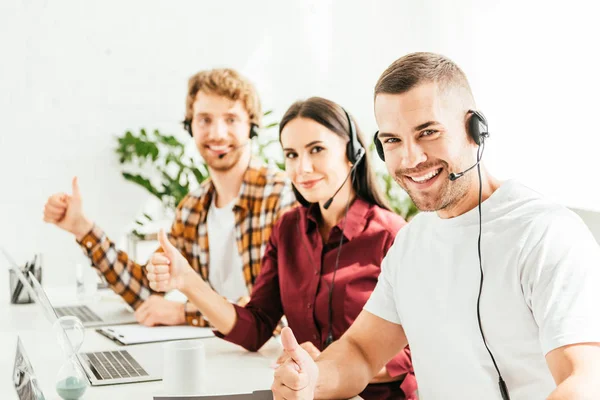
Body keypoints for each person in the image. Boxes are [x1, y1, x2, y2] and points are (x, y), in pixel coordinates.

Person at [271, 52, 600, 400]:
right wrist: (312, 379)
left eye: (428, 132)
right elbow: (362, 351)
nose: (411, 159)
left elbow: (585, 380)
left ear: (474, 129)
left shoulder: (547, 233)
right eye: (393, 141)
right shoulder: (411, 241)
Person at [147, 97, 417, 399]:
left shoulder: (391, 235)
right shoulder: (288, 229)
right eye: (291, 154)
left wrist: (326, 368)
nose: (302, 168)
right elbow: (256, 328)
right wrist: (187, 282)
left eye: (316, 149)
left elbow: (418, 352)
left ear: (352, 152)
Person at [42, 68, 296, 327]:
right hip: (218, 352)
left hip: (270, 359)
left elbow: (281, 310)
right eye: (205, 120)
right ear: (190, 126)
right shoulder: (193, 208)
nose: (217, 133)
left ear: (252, 126)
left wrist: (184, 313)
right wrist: (82, 228)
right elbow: (145, 290)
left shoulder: (281, 197)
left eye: (231, 119)